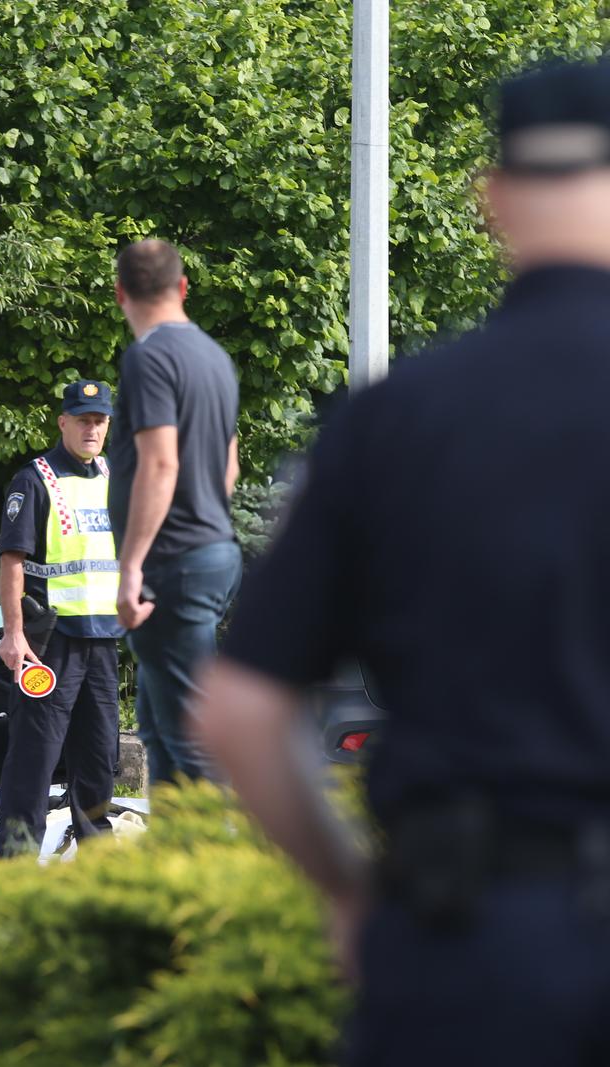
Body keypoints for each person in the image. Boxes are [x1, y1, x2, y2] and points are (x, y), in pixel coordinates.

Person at [196, 58, 610, 1064]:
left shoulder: (394, 422)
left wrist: (348, 885)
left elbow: (240, 711)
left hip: (467, 947)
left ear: (493, 201)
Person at [107, 239, 241, 784]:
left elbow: (160, 466)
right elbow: (227, 466)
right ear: (183, 288)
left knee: (193, 740)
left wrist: (132, 565)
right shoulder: (214, 357)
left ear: (120, 295)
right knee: (160, 732)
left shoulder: (149, 357)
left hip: (173, 563)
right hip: (209, 552)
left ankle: (216, 863)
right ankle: (176, 857)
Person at [0, 380, 125, 857]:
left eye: (100, 421)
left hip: (103, 642)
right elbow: (11, 560)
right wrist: (13, 633)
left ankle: (97, 866)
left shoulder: (114, 476)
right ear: (63, 421)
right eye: (83, 420)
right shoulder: (36, 479)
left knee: (98, 760)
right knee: (35, 758)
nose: (92, 429)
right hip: (50, 645)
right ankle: (14, 864)